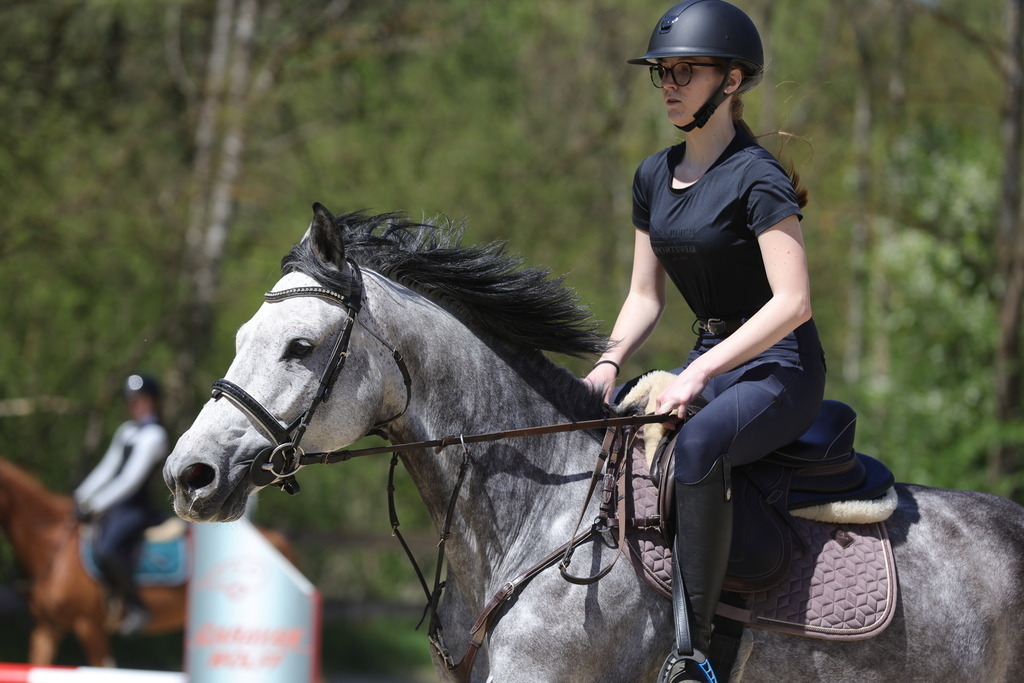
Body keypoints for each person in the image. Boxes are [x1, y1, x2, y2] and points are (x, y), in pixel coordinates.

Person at [583, 2, 827, 681]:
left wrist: (697, 373)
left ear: (732, 80)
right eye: (662, 71)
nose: (668, 82)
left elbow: (793, 302)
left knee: (696, 444)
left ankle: (692, 652)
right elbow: (643, 296)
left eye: (685, 70)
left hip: (782, 367)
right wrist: (609, 361)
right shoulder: (652, 177)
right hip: (713, 362)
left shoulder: (758, 176)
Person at [74, 373, 169, 636]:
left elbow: (130, 480)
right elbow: (107, 468)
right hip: (116, 507)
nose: (135, 404)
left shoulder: (155, 436)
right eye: (131, 400)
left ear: (153, 402)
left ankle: (138, 607)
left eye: (141, 399)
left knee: (108, 548)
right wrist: (81, 495)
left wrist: (95, 505)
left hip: (138, 510)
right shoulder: (126, 431)